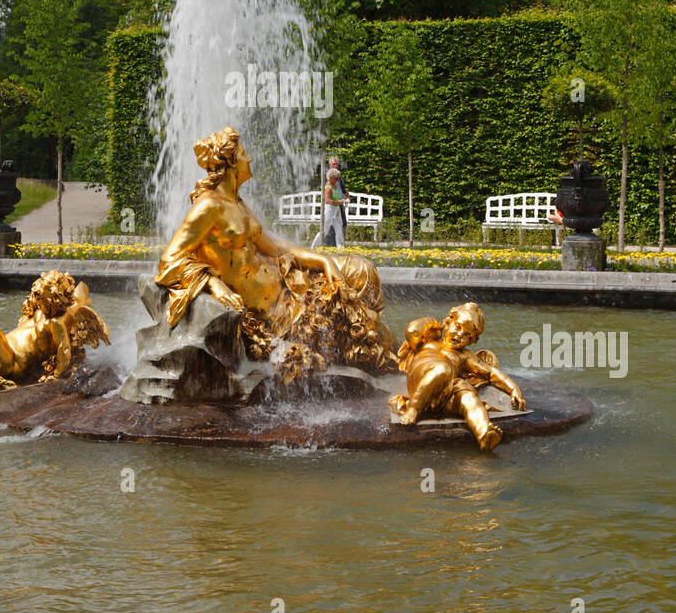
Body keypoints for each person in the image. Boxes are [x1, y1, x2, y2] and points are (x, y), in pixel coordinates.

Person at [154, 126, 397, 377]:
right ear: (231, 162)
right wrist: (214, 284)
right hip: (277, 314)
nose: (249, 158)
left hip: (288, 282)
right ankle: (374, 352)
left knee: (362, 269)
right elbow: (169, 260)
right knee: (370, 326)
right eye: (244, 154)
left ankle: (373, 347)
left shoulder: (238, 203)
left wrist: (323, 261)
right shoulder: (208, 208)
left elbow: (275, 248)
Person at [388, 302, 526, 450]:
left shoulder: (464, 355)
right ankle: (413, 409)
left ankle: (484, 434)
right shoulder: (428, 341)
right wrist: (435, 324)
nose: (460, 335)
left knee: (469, 397)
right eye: (458, 327)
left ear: (472, 341)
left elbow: (490, 372)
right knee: (443, 368)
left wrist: (513, 388)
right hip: (420, 388)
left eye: (467, 335)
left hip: (445, 397)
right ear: (447, 322)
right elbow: (412, 330)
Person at [322, 168, 345, 249]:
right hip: (330, 210)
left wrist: (343, 200)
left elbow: (337, 198)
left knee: (338, 228)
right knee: (325, 229)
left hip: (336, 210)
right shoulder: (328, 187)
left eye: (338, 178)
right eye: (336, 178)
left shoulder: (335, 186)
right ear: (330, 177)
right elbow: (327, 200)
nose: (337, 180)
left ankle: (340, 247)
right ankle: (314, 246)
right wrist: (339, 202)